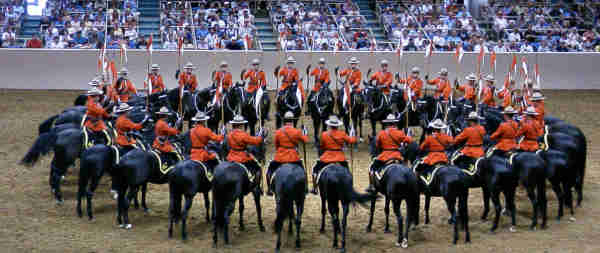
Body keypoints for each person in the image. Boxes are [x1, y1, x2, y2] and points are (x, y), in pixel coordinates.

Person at [366, 114, 412, 193]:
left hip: (385, 156)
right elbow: (409, 141)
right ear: (395, 124)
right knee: (407, 168)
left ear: (387, 124)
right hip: (397, 156)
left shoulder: (381, 133)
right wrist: (407, 135)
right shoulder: (400, 133)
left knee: (371, 168)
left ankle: (372, 185)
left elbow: (377, 145)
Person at [311, 115, 357, 194]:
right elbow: (352, 141)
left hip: (327, 157)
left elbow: (321, 146)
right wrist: (352, 134)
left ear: (329, 125)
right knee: (348, 173)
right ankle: (350, 186)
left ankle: (315, 187)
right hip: (340, 158)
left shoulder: (324, 134)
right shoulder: (342, 134)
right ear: (337, 125)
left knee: (315, 170)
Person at [266, 111, 309, 196]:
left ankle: (269, 189)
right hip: (293, 157)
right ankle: (305, 188)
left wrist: (280, 151)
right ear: (292, 121)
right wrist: (305, 132)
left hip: (280, 157)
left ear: (284, 121)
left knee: (269, 170)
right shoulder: (297, 132)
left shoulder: (278, 132)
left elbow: (276, 145)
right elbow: (305, 140)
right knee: (303, 171)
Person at [226, 115, 265, 193]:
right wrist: (261, 136)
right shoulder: (243, 134)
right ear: (241, 125)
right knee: (257, 167)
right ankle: (256, 186)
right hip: (241, 157)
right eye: (243, 124)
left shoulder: (229, 134)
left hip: (231, 156)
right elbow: (255, 141)